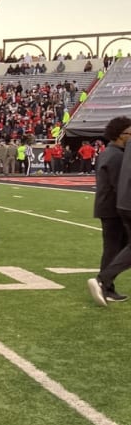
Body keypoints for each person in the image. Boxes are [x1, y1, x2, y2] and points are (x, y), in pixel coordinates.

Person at [87, 116, 131, 306]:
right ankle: (104, 283)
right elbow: (118, 185)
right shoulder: (117, 156)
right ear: (122, 135)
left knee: (115, 248)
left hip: (108, 206)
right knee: (114, 248)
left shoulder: (109, 152)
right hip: (113, 208)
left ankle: (107, 285)